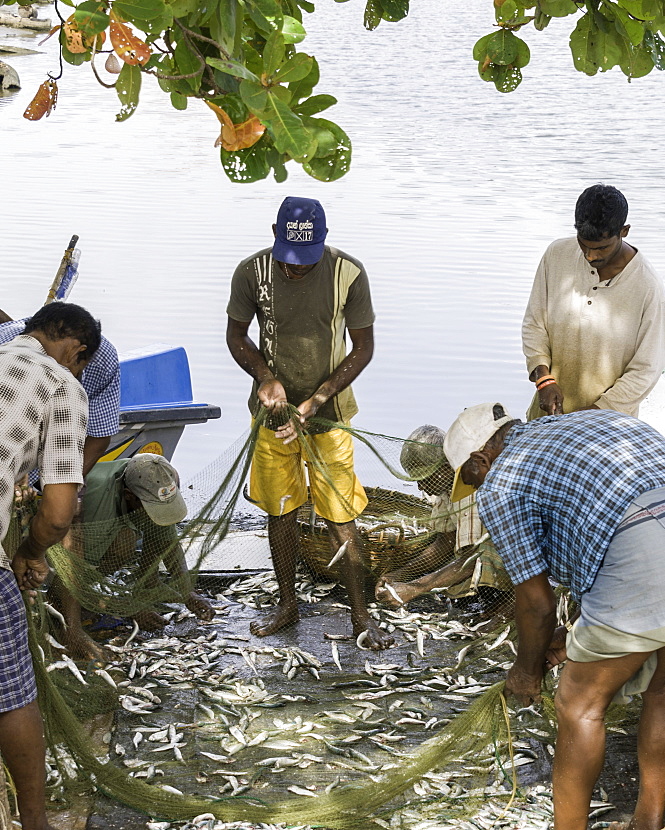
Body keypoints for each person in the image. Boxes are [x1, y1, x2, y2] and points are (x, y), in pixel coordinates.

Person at [444, 401, 665, 830]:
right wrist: (579, 633)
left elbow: (537, 603)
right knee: (662, 690)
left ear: (480, 461)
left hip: (638, 562)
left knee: (579, 705)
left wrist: (526, 670)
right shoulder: (590, 419)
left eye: (471, 477)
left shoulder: (501, 484)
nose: (476, 487)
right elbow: (607, 522)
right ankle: (649, 827)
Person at [226, 196, 391, 650]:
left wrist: (319, 398)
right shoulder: (251, 272)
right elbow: (236, 336)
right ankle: (287, 604)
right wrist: (266, 378)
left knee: (341, 513)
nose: (295, 270)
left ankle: (360, 613)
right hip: (273, 414)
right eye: (289, 262)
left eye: (305, 262)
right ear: (274, 234)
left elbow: (363, 348)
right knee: (280, 507)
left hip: (329, 415)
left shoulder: (348, 274)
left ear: (324, 242)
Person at [0, 301, 100, 830]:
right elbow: (60, 513)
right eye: (80, 363)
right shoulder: (64, 385)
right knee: (13, 693)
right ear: (74, 349)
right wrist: (29, 551)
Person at [522, 184, 665, 419]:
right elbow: (534, 324)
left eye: (601, 248)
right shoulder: (556, 255)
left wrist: (593, 415)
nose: (590, 255)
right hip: (547, 416)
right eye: (583, 244)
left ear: (624, 231)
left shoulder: (648, 288)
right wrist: (544, 380)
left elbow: (646, 370)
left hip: (609, 426)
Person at [59, 454, 214, 658]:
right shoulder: (94, 499)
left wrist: (188, 593)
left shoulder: (156, 477)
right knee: (117, 545)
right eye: (151, 507)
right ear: (128, 496)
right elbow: (69, 568)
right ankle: (69, 608)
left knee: (129, 539)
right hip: (53, 547)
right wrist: (128, 609)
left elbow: (168, 543)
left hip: (92, 539)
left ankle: (143, 584)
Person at [375, 425, 512, 608]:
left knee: (476, 564)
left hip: (506, 558)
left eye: (424, 479)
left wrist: (414, 588)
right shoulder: (444, 488)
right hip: (476, 557)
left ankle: (503, 604)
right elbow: (445, 543)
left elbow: (475, 557)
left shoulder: (469, 485)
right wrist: (400, 575)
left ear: (446, 467)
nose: (421, 488)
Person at [0, 310, 120, 475]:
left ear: (76, 353)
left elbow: (99, 436)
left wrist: (62, 484)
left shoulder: (101, 360)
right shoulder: (5, 344)